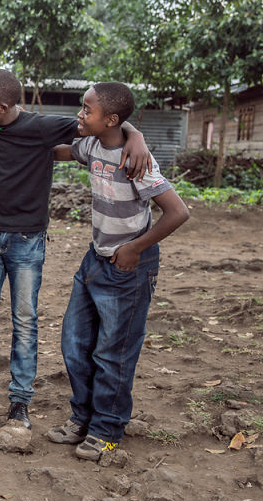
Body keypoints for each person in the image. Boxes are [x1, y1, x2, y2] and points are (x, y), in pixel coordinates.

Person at [0, 70, 152, 432]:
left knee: (25, 322)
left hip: (28, 242)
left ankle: (19, 403)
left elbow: (102, 124)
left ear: (3, 107)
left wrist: (136, 135)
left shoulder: (42, 127)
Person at [47, 82, 189, 461]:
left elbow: (178, 212)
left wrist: (134, 248)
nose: (80, 114)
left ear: (110, 119)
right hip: (95, 259)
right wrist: (19, 143)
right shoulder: (92, 145)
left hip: (129, 266)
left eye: (86, 109)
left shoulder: (136, 160)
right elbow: (60, 150)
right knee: (74, 343)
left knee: (114, 352)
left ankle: (107, 430)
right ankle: (83, 418)